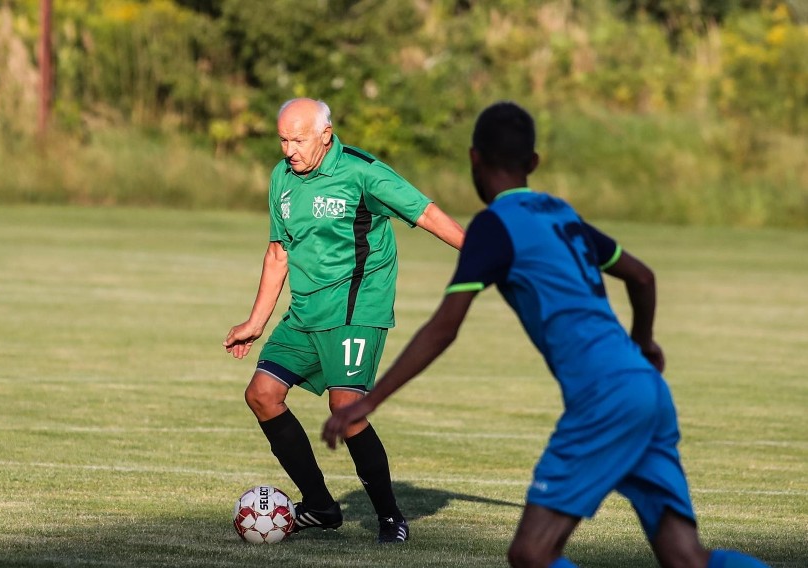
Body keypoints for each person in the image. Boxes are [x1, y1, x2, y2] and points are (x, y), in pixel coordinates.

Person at [322, 101, 770, 568]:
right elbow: (642, 277)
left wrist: (369, 402)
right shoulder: (561, 213)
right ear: (533, 163)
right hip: (648, 390)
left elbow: (444, 327)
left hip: (604, 399)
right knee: (686, 558)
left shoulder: (495, 226)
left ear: (474, 158)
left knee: (532, 554)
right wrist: (644, 342)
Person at [224, 98, 464, 544]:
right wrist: (256, 321)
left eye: (298, 139)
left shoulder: (363, 172)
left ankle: (390, 517)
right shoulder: (282, 178)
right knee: (261, 394)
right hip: (307, 309)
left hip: (358, 306)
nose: (289, 150)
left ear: (326, 135)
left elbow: (426, 213)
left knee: (345, 408)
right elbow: (279, 252)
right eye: (283, 139)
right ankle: (319, 506)